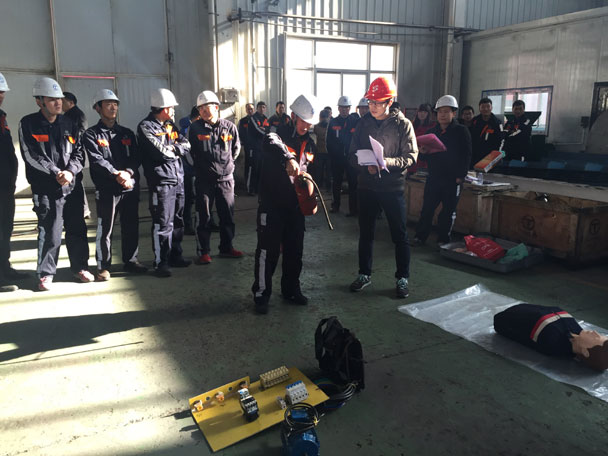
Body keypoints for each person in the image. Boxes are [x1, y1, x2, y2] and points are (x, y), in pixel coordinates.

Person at [18, 77, 93, 291]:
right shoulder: (28, 123)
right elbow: (30, 154)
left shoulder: (69, 123)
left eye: (59, 98)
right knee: (50, 230)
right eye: (52, 99)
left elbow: (79, 153)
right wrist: (56, 172)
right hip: (46, 188)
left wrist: (70, 171)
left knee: (77, 228)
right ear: (39, 101)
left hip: (71, 185)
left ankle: (79, 267)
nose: (58, 102)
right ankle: (46, 274)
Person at [348, 77, 418, 299]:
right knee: (366, 233)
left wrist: (386, 163)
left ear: (389, 101)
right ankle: (364, 274)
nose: (373, 106)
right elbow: (351, 153)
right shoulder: (363, 123)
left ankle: (402, 278)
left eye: (378, 102)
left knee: (399, 234)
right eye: (370, 102)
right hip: (367, 186)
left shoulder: (403, 125)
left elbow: (411, 156)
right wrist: (364, 164)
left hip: (391, 187)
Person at [252, 94, 319, 314]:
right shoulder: (277, 134)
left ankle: (291, 290)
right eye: (303, 121)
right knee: (268, 251)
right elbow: (270, 141)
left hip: (295, 207)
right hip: (272, 205)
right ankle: (261, 294)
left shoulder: (310, 144)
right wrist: (288, 158)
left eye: (309, 123)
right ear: (293, 116)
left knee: (294, 251)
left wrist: (310, 190)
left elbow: (310, 170)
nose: (306, 126)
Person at [82, 89, 148, 281]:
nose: (113, 107)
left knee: (131, 225)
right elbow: (97, 160)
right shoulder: (91, 134)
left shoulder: (126, 133)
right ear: (97, 108)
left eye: (115, 104)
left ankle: (131, 260)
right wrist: (116, 174)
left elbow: (136, 156)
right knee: (105, 228)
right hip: (107, 189)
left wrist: (128, 172)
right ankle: (103, 266)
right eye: (108, 104)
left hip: (129, 186)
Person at [138, 88, 191, 277]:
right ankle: (161, 262)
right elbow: (162, 153)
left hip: (178, 180)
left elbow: (186, 144)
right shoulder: (146, 127)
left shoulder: (170, 125)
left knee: (178, 220)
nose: (174, 110)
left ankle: (176, 255)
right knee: (163, 222)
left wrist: (174, 149)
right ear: (163, 108)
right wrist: (176, 150)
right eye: (172, 107)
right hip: (161, 183)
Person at [188, 90, 243, 265]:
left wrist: (227, 166)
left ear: (216, 107)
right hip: (204, 181)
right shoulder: (194, 128)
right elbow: (189, 153)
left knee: (227, 215)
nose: (203, 110)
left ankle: (227, 248)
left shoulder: (229, 127)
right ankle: (203, 252)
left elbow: (236, 149)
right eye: (200, 108)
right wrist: (201, 169)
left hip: (226, 180)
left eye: (207, 107)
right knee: (203, 216)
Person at [413, 95, 472, 246]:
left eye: (446, 111)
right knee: (427, 209)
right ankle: (420, 237)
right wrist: (423, 152)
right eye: (440, 112)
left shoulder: (461, 131)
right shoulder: (432, 132)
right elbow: (424, 157)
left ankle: (443, 240)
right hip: (434, 177)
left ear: (454, 113)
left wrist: (461, 176)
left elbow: (466, 155)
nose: (443, 115)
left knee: (448, 211)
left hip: (452, 179)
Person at [494, 303, 608, 371]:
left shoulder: (553, 342)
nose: (595, 332)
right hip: (519, 309)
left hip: (506, 319)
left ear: (585, 352)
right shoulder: (576, 329)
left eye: (596, 338)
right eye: (600, 334)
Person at [0, 73, 27, 292]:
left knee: (5, 228)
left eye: (2, 92)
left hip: (5, 186)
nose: (1, 96)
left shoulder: (2, 117)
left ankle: (4, 267)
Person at [327, 95, 359, 216]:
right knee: (336, 183)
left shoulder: (355, 122)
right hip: (337, 159)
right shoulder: (333, 122)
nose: (344, 110)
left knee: (353, 184)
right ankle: (335, 206)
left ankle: (353, 209)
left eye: (346, 107)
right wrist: (334, 155)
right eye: (342, 107)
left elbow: (358, 140)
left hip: (351, 159)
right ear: (338, 108)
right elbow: (328, 141)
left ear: (350, 108)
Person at [62, 91, 91, 219]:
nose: (60, 104)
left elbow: (80, 133)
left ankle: (83, 210)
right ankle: (84, 210)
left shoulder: (76, 115)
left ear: (71, 102)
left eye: (63, 102)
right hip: (73, 153)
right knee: (77, 182)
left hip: (75, 153)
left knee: (77, 181)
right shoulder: (70, 114)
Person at [178, 106, 200, 235]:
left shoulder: (194, 126)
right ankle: (187, 224)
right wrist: (194, 165)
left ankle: (204, 222)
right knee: (189, 198)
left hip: (195, 169)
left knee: (198, 197)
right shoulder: (187, 129)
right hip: (188, 171)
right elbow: (186, 151)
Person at [470, 97, 503, 169]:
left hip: (490, 156)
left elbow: (500, 141)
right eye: (483, 107)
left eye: (488, 106)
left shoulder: (497, 123)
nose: (485, 109)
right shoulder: (475, 121)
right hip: (475, 155)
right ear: (479, 108)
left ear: (491, 108)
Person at [407, 103, 437, 176]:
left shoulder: (433, 126)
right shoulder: (412, 125)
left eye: (425, 112)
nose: (422, 114)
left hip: (425, 155)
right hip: (413, 154)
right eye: (420, 111)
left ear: (428, 114)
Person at [245, 101, 268, 195]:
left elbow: (268, 128)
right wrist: (265, 131)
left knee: (260, 169)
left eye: (264, 107)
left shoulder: (266, 118)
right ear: (257, 108)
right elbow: (258, 130)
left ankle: (257, 189)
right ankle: (250, 189)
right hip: (253, 147)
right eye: (260, 107)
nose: (262, 109)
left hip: (262, 148)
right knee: (253, 168)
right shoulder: (253, 118)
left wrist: (265, 130)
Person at [311, 109, 331, 190]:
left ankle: (319, 187)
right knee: (326, 171)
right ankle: (326, 187)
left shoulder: (317, 127)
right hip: (324, 151)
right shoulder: (328, 126)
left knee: (321, 171)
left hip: (322, 151)